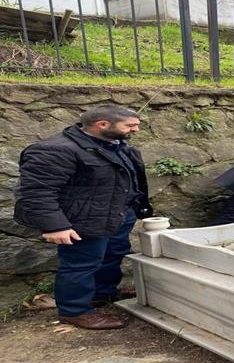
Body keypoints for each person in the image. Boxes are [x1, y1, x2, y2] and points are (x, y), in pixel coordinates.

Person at [14, 106, 153, 330]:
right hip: (83, 221)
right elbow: (37, 191)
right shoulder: (55, 150)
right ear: (102, 124)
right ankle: (75, 311)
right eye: (130, 125)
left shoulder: (118, 146)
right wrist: (56, 226)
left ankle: (101, 293)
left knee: (112, 255)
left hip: (116, 216)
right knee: (80, 265)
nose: (136, 129)